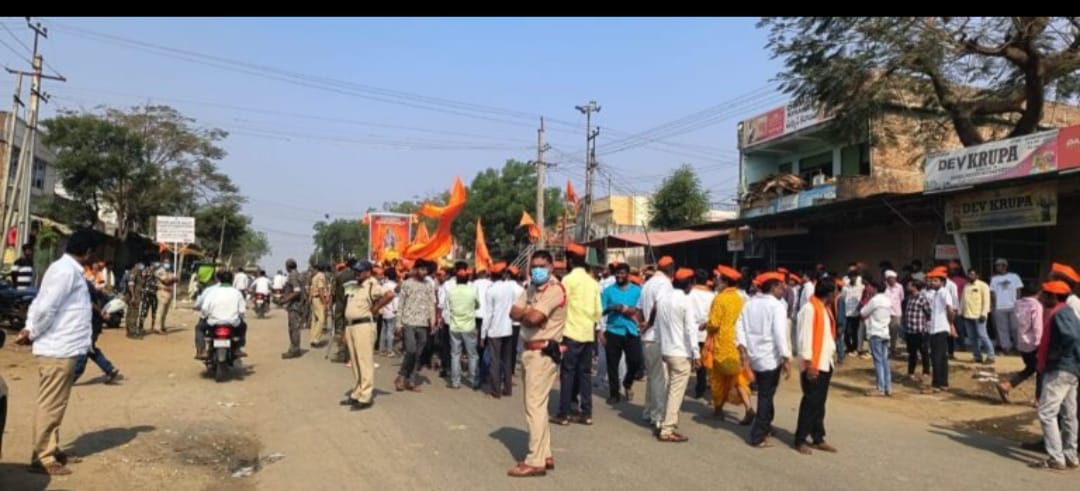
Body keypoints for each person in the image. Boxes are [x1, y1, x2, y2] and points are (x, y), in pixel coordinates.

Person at [16, 230, 99, 476]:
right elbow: (45, 308)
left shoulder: (67, 270)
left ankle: (51, 448)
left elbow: (39, 302)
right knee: (51, 404)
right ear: (88, 252)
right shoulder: (65, 272)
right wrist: (32, 331)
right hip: (58, 349)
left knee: (57, 403)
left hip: (65, 347)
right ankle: (42, 456)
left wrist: (30, 328)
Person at [507, 250, 566, 478]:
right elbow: (513, 312)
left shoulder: (554, 289)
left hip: (543, 352)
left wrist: (528, 313)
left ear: (551, 266)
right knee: (538, 405)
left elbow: (533, 319)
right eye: (534, 266)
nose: (537, 270)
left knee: (534, 406)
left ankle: (535, 461)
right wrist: (529, 312)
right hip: (530, 351)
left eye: (541, 265)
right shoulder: (531, 288)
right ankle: (545, 453)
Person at [736, 272, 792, 448]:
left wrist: (743, 349)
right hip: (769, 358)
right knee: (766, 397)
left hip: (754, 356)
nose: (784, 290)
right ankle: (758, 435)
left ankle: (766, 425)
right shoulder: (776, 306)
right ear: (773, 287)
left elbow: (739, 327)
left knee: (766, 394)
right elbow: (779, 334)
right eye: (781, 287)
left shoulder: (749, 303)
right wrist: (786, 357)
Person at [1029, 280, 1080, 471]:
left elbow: (1072, 338)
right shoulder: (1065, 312)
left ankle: (1056, 458)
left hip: (1060, 369)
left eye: (1045, 294)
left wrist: (1057, 355)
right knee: (1068, 415)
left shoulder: (1061, 314)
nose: (1041, 297)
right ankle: (1070, 456)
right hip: (1070, 369)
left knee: (1046, 412)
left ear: (1054, 297)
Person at [554, 243, 601, 425]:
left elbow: (561, 306)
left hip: (570, 333)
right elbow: (598, 312)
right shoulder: (593, 283)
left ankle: (564, 413)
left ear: (570, 260)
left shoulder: (567, 281)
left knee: (567, 374)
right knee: (585, 374)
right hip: (588, 334)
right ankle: (586, 413)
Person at [340, 261, 394, 410]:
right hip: (351, 326)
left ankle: (366, 396)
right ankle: (357, 392)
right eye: (355, 271)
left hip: (363, 326)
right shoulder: (354, 286)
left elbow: (389, 294)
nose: (356, 273)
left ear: (368, 272)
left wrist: (376, 308)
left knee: (364, 361)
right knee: (355, 361)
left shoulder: (372, 284)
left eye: (359, 271)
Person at [655, 268, 701, 442]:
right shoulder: (685, 301)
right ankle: (667, 429)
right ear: (689, 284)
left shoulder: (663, 299)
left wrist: (661, 346)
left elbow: (657, 327)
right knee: (675, 392)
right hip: (680, 352)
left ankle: (662, 421)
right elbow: (691, 329)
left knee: (670, 389)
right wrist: (696, 353)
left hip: (667, 350)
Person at [794, 279, 838, 455]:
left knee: (819, 403)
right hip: (814, 364)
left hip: (825, 362)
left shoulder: (825, 309)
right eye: (835, 292)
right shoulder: (809, 309)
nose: (837, 295)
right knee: (810, 402)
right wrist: (809, 364)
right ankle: (800, 439)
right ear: (830, 294)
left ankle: (818, 437)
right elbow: (804, 339)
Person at [706, 265, 753, 424]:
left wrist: (705, 326)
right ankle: (748, 408)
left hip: (721, 344)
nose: (716, 282)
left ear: (725, 282)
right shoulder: (739, 298)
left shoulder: (719, 299)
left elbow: (714, 324)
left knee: (717, 378)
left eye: (719, 279)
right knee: (738, 377)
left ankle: (718, 409)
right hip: (736, 343)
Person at [637, 256, 675, 430]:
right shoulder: (664, 284)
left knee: (653, 377)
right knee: (660, 379)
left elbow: (638, 309)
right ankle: (658, 416)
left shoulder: (648, 283)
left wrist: (642, 325)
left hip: (647, 337)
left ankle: (648, 411)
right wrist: (649, 324)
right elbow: (659, 305)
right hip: (657, 336)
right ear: (671, 268)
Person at [600, 262, 643, 404]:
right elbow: (601, 311)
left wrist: (629, 310)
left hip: (632, 331)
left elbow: (641, 309)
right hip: (613, 331)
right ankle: (614, 393)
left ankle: (627, 382)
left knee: (636, 361)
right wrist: (612, 308)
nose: (619, 276)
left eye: (622, 273)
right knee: (612, 364)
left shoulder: (637, 290)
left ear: (628, 275)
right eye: (617, 273)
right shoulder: (608, 291)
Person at [395, 260, 437, 392]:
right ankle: (402, 376)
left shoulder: (429, 285)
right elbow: (401, 304)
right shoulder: (407, 284)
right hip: (408, 322)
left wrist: (433, 320)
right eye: (422, 269)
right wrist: (398, 323)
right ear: (416, 269)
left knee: (418, 354)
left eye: (426, 270)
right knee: (411, 350)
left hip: (423, 323)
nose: (424, 272)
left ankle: (411, 380)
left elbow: (432, 303)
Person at [997, 284, 1043, 404]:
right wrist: (1039, 343)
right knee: (1040, 370)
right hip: (1033, 343)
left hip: (1022, 343)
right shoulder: (1036, 305)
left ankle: (1007, 385)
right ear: (1038, 293)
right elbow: (1037, 326)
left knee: (1031, 368)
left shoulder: (1018, 304)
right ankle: (1038, 399)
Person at [73, 278, 123, 384]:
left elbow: (90, 303)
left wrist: (101, 313)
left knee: (84, 349)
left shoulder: (83, 286)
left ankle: (74, 374)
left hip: (91, 324)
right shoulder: (85, 284)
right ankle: (109, 369)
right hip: (90, 323)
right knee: (90, 349)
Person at [194, 271, 248, 360]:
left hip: (213, 322)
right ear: (232, 280)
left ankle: (202, 350)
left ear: (219, 280)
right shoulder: (237, 293)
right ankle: (238, 348)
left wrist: (203, 317)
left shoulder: (212, 292)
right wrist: (240, 317)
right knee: (243, 326)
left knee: (199, 328)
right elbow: (242, 311)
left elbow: (205, 308)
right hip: (232, 322)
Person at [483, 261, 517, 398]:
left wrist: (483, 333)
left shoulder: (491, 290)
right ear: (503, 274)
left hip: (495, 330)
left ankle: (495, 390)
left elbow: (488, 314)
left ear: (491, 274)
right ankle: (507, 388)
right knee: (507, 360)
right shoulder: (509, 288)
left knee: (495, 360)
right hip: (508, 328)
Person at [860, 279, 894, 396]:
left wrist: (869, 299)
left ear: (875, 288)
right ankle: (888, 387)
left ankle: (880, 388)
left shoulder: (874, 300)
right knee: (885, 361)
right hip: (885, 332)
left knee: (878, 361)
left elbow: (863, 312)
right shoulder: (887, 300)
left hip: (875, 332)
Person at [990, 258, 1024, 354]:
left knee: (1015, 328)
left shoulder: (1014, 276)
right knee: (1002, 329)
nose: (997, 267)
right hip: (999, 307)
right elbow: (992, 293)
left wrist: (1018, 302)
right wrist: (995, 305)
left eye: (999, 265)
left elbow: (1018, 290)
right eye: (996, 266)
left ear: (1004, 266)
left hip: (1013, 306)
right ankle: (1007, 348)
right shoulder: (994, 279)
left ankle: (1018, 347)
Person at [960, 268, 994, 364]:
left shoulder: (983, 285)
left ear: (977, 276)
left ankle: (991, 356)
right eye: (969, 274)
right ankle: (977, 356)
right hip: (967, 315)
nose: (970, 276)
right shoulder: (966, 286)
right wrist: (960, 312)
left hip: (979, 315)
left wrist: (984, 313)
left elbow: (986, 301)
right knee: (972, 337)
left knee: (982, 335)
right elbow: (963, 300)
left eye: (972, 274)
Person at [903, 279, 932, 383]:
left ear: (915, 287)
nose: (907, 287)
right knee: (912, 353)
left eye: (909, 285)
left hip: (920, 331)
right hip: (910, 331)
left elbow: (929, 313)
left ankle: (926, 372)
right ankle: (910, 373)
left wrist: (924, 325)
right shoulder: (909, 298)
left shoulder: (922, 299)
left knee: (924, 352)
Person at [278, 259, 306, 359]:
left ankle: (295, 350)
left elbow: (297, 291)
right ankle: (294, 348)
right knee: (294, 328)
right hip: (297, 305)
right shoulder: (298, 274)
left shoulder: (293, 275)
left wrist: (284, 300)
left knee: (294, 328)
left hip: (295, 306)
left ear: (287, 267)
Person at [151, 254, 178, 334]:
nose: (168, 263)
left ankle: (162, 326)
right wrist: (172, 279)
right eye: (166, 262)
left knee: (165, 311)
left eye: (168, 262)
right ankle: (157, 327)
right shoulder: (160, 271)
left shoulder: (170, 271)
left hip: (169, 292)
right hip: (162, 291)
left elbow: (177, 279)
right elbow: (166, 281)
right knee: (160, 310)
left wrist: (172, 279)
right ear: (163, 262)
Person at [309, 264, 331, 349]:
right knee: (321, 319)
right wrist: (324, 302)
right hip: (319, 299)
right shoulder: (321, 276)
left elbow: (312, 289)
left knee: (315, 320)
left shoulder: (314, 277)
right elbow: (321, 289)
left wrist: (310, 299)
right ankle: (316, 339)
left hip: (314, 299)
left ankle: (312, 338)